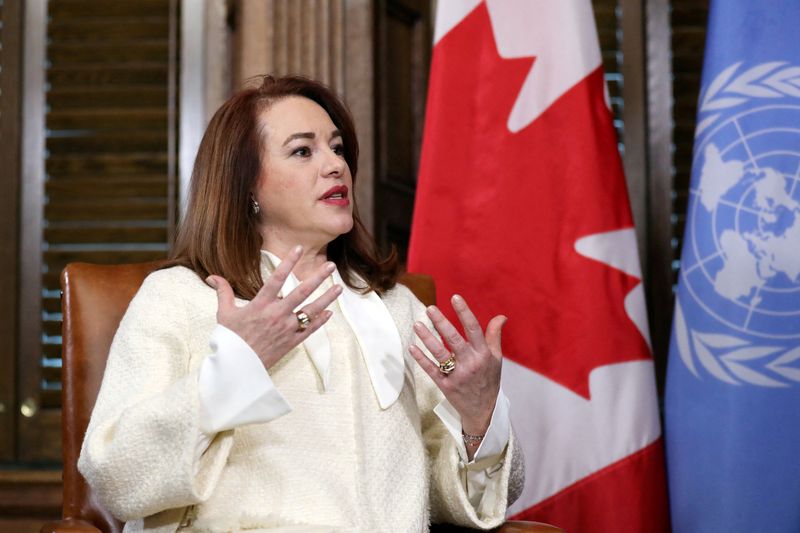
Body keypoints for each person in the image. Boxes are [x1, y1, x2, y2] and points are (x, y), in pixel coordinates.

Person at [78, 75, 523, 532]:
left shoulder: (396, 306)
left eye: (337, 148)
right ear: (246, 185)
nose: (335, 166)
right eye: (303, 151)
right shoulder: (180, 296)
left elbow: (451, 501)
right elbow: (116, 475)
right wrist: (232, 369)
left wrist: (477, 418)